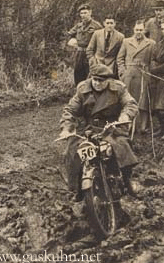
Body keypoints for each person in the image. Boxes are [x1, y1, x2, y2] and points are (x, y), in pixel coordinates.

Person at [59, 64, 139, 198]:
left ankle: (126, 180)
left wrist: (125, 116)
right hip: (88, 129)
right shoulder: (83, 89)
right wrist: (67, 128)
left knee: (122, 146)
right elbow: (70, 110)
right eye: (94, 79)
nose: (96, 83)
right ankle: (76, 188)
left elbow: (130, 103)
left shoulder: (118, 88)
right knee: (72, 150)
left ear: (108, 80)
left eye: (101, 80)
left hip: (112, 127)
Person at [117, 20, 156, 133]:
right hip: (129, 74)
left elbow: (153, 60)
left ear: (144, 30)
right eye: (136, 30)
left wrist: (149, 72)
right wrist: (122, 72)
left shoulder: (151, 43)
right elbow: (120, 58)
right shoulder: (126, 41)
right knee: (127, 100)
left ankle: (142, 127)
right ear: (133, 30)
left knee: (143, 100)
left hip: (143, 74)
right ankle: (125, 125)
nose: (138, 32)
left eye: (141, 30)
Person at [67, 3, 102, 85]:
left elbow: (102, 40)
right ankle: (80, 94)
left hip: (91, 54)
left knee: (90, 75)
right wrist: (72, 41)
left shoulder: (96, 26)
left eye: (85, 13)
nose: (83, 15)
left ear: (90, 13)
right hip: (79, 54)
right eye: (81, 13)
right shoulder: (78, 26)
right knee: (78, 74)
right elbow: (68, 35)